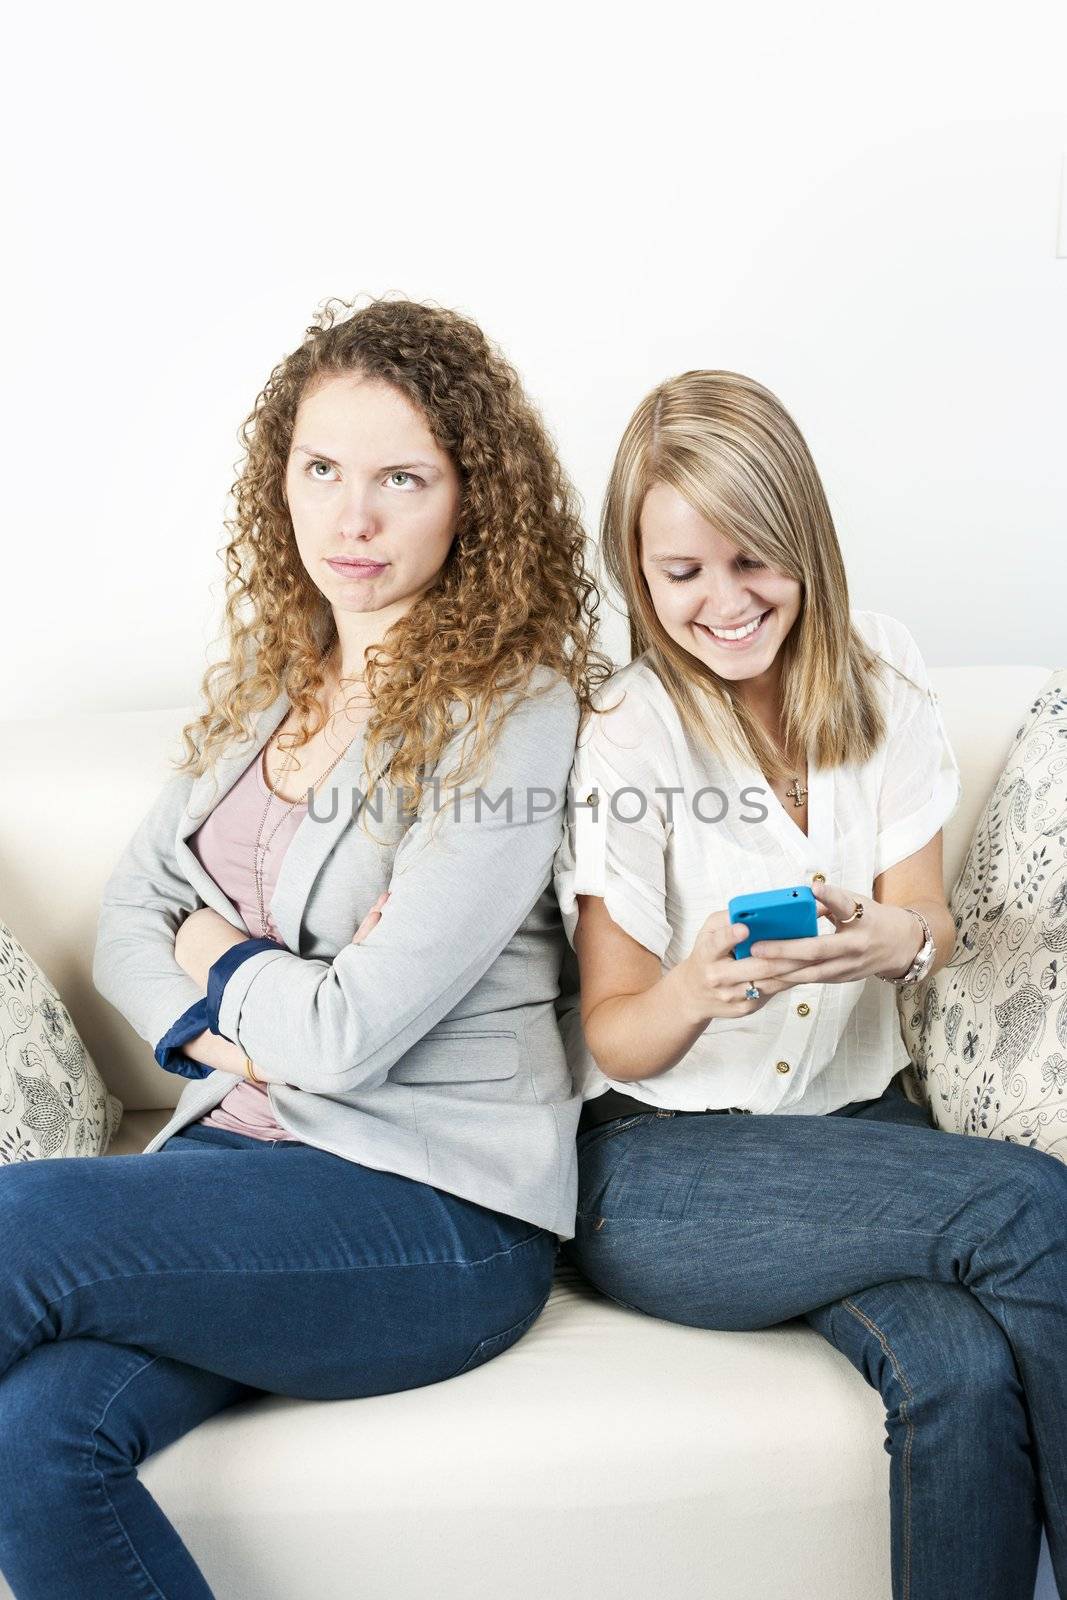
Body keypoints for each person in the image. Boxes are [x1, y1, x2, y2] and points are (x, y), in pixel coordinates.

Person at [0, 295, 611, 1600]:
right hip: (236, 1169)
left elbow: (350, 1038)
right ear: (277, 482)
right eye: (321, 470)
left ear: (471, 498)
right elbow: (123, 921)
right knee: (35, 1435)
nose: (354, 517)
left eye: (402, 477)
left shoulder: (509, 712)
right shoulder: (269, 690)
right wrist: (236, 1017)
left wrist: (217, 950)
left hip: (430, 1213)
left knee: (11, 1228)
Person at [553, 369, 1067, 1600]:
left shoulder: (878, 668)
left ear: (804, 543)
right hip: (661, 1170)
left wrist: (890, 940)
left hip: (862, 1133)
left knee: (951, 1368)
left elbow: (927, 918)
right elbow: (617, 1034)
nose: (723, 604)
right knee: (1032, 1211)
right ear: (638, 573)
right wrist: (691, 989)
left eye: (752, 561)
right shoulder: (624, 729)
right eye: (680, 575)